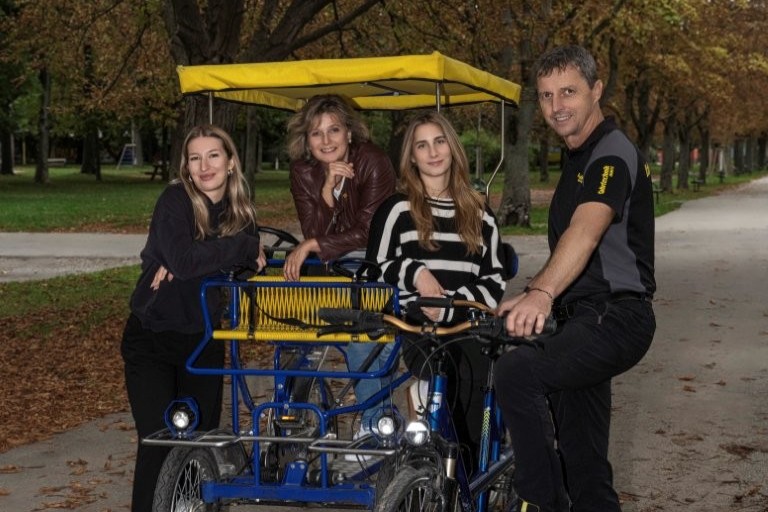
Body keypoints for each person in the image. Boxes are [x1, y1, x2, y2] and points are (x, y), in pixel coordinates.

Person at [494, 45, 656, 512]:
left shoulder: (610, 154)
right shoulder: (579, 156)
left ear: (596, 90)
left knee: (516, 373)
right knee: (584, 465)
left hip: (615, 317)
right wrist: (530, 296)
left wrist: (540, 293)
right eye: (545, 96)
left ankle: (543, 503)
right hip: (583, 321)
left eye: (568, 91)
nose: (556, 106)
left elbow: (586, 232)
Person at [121, 125, 266, 512]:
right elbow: (185, 263)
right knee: (160, 442)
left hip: (203, 340)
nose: (204, 166)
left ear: (231, 162)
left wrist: (207, 256)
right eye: (195, 157)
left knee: (200, 444)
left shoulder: (241, 215)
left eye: (213, 155)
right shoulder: (175, 201)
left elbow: (245, 272)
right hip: (153, 338)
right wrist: (236, 249)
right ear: (185, 165)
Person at [366, 110, 507, 472]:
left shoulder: (480, 213)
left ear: (452, 148)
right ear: (411, 156)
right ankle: (431, 465)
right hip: (419, 323)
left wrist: (452, 305)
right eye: (422, 145)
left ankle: (469, 475)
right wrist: (417, 273)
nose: (432, 152)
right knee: (443, 368)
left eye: (439, 141)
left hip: (468, 324)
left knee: (475, 384)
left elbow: (493, 282)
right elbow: (374, 270)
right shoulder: (396, 210)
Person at [284, 94, 397, 437]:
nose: (326, 140)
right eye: (316, 133)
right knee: (305, 337)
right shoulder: (303, 172)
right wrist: (326, 190)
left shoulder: (374, 162)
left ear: (350, 133)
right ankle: (378, 420)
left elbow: (369, 231)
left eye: (334, 130)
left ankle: (372, 423)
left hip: (381, 257)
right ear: (306, 140)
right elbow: (314, 235)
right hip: (338, 266)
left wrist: (314, 245)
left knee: (365, 337)